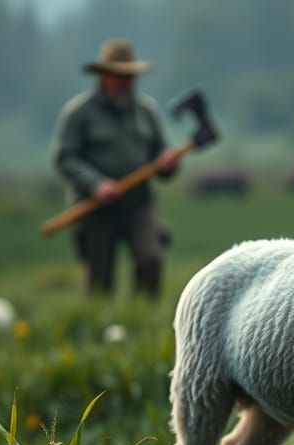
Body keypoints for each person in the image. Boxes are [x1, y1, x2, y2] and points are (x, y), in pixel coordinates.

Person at [51, 39, 182, 297]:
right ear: (103, 76)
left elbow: (161, 155)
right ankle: (103, 329)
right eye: (119, 76)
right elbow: (64, 158)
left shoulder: (146, 111)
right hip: (95, 207)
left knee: (151, 259)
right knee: (100, 280)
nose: (126, 82)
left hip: (138, 203)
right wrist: (96, 183)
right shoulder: (79, 113)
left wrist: (168, 162)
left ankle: (142, 320)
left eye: (130, 76)